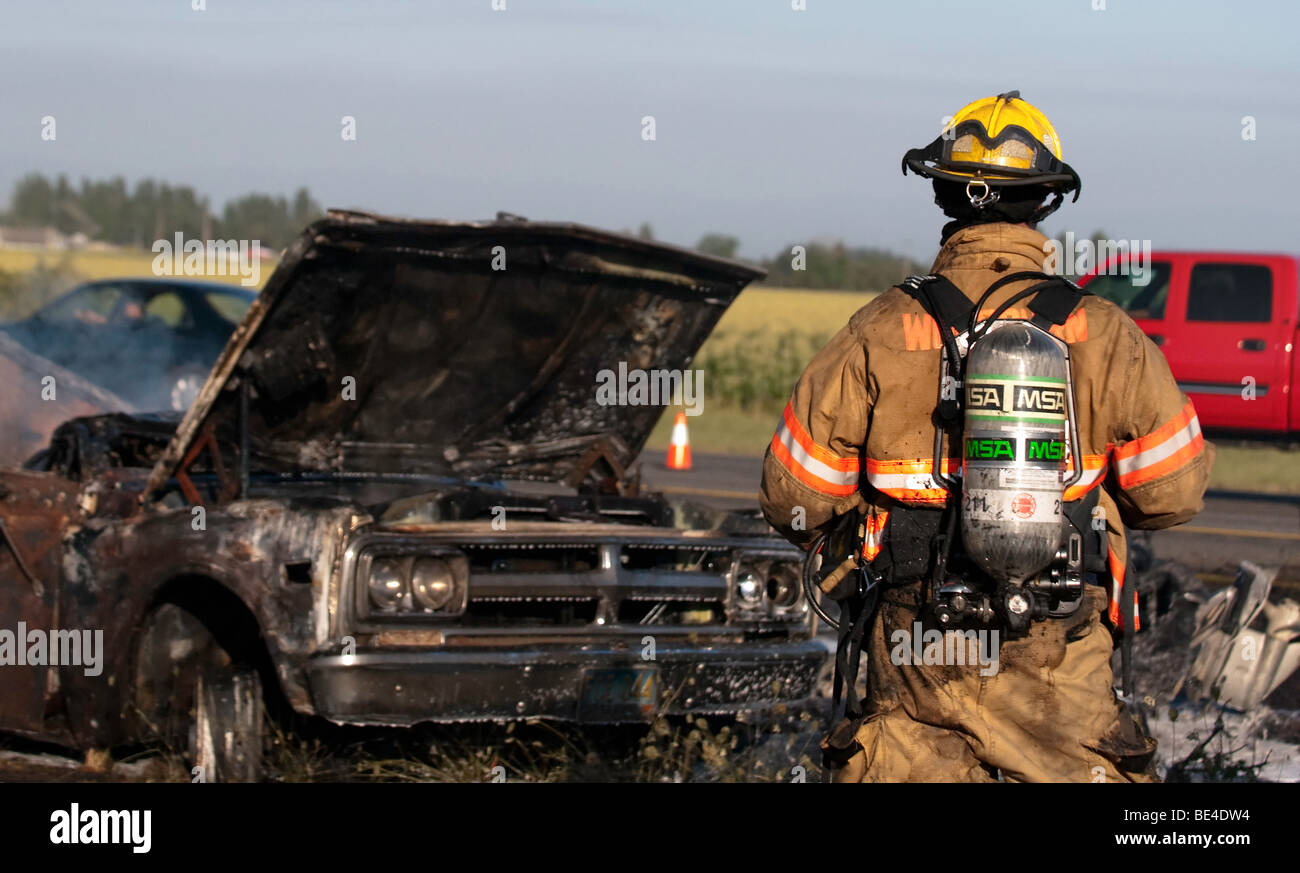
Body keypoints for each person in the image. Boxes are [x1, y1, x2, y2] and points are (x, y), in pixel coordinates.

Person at [759, 91, 1213, 782]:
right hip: (1056, 646)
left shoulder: (878, 328)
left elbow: (796, 495)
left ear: (945, 195)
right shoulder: (1104, 332)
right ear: (1045, 203)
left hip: (917, 645)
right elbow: (1174, 493)